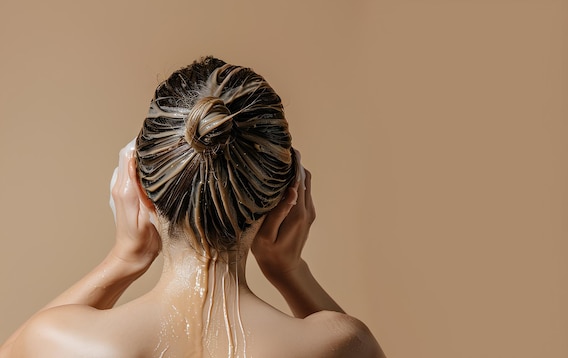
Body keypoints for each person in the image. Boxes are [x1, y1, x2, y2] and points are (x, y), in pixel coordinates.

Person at [0, 56, 385, 358]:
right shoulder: (343, 345)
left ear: (138, 189)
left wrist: (123, 259)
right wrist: (290, 272)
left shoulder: (58, 342)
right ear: (287, 198)